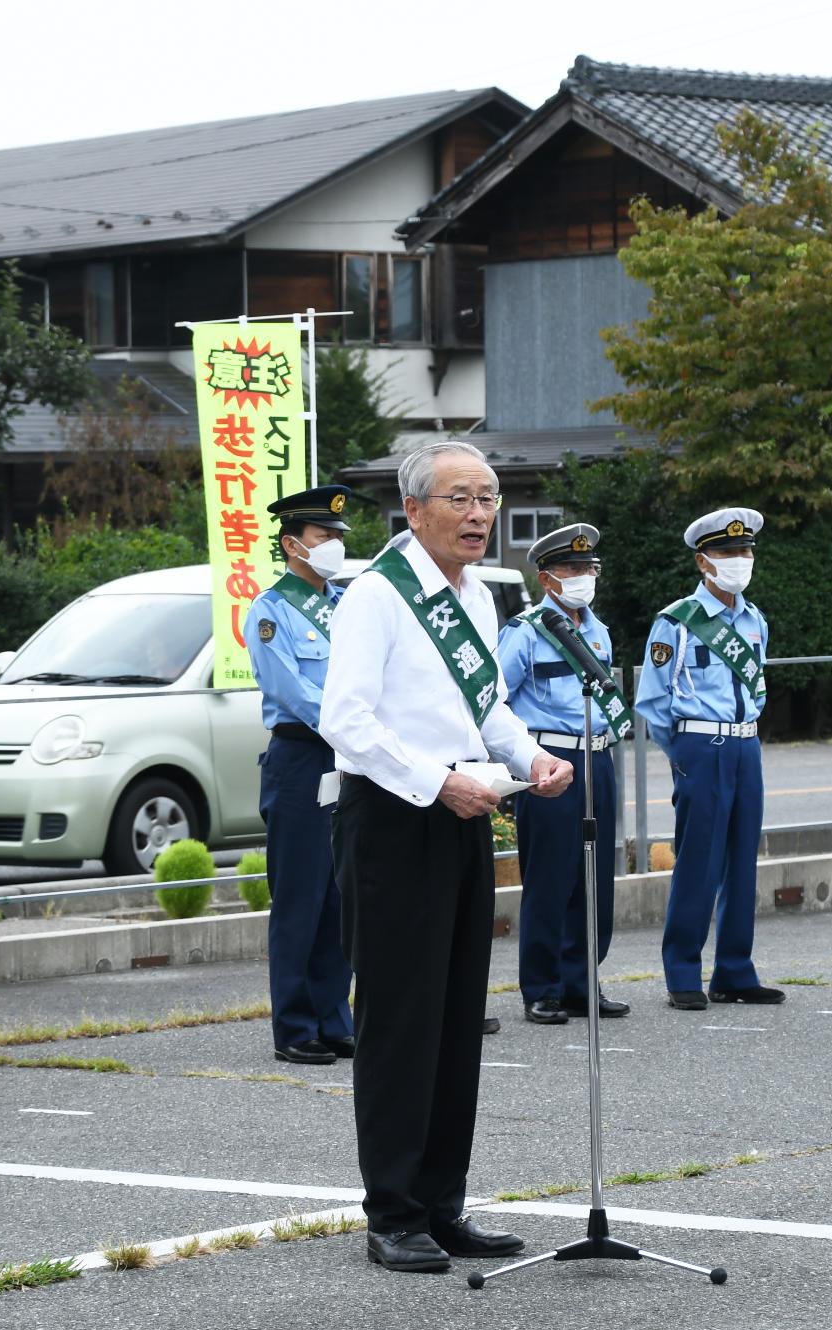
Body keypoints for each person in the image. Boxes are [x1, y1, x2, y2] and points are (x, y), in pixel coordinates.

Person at [320, 440, 575, 1274]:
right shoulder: (376, 597)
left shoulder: (477, 599)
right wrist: (435, 783)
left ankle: (441, 1201)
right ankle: (391, 1210)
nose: (479, 514)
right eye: (462, 498)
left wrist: (529, 755)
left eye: (490, 497)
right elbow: (346, 721)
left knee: (459, 1014)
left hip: (465, 810)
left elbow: (487, 707)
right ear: (416, 509)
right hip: (395, 819)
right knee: (401, 1018)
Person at [633, 507, 785, 1012]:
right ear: (703, 561)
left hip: (746, 744)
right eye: (726, 553)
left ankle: (735, 972)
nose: (739, 560)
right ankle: (682, 971)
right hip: (701, 746)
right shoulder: (676, 623)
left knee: (743, 860)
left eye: (744, 552)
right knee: (699, 860)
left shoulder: (755, 619)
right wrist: (685, 756)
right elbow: (653, 703)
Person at [495, 523, 632, 1026]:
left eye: (589, 569)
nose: (583, 577)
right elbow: (494, 700)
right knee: (550, 877)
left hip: (597, 757)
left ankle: (582, 981)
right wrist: (518, 762)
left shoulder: (599, 631)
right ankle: (542, 986)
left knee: (595, 879)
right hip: (548, 759)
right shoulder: (525, 632)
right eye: (573, 569)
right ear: (547, 578)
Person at [244, 484, 358, 1067]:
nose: (336, 545)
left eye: (339, 537)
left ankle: (335, 1019)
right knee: (300, 896)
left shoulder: (347, 605)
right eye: (324, 536)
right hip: (302, 757)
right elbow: (290, 688)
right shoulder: (270, 611)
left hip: (348, 757)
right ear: (293, 544)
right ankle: (294, 1025)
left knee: (340, 894)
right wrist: (353, 726)